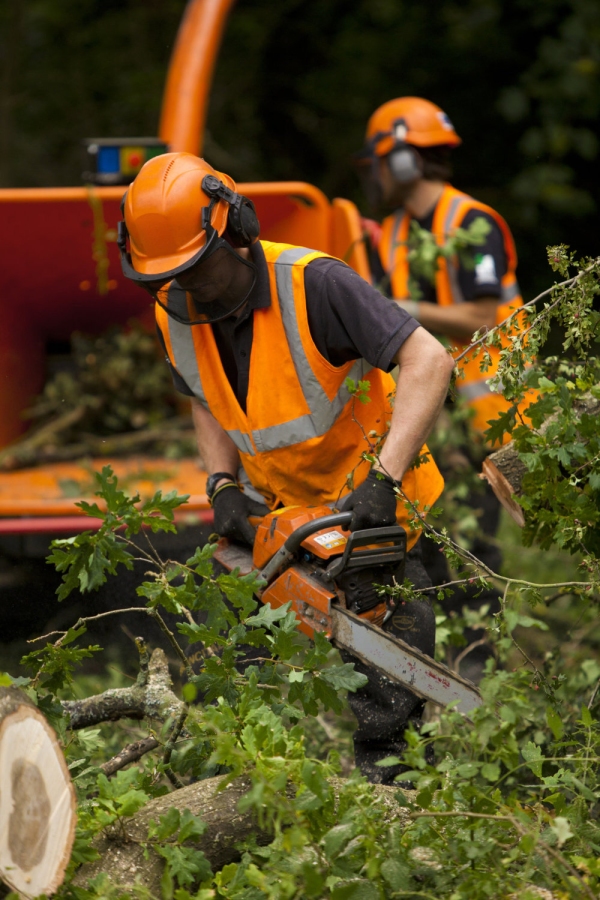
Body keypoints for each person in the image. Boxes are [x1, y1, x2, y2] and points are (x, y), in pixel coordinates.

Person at [118, 151, 454, 783]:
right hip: (282, 515)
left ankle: (400, 800)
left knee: (391, 687)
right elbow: (202, 394)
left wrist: (382, 481)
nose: (193, 289)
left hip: (373, 507)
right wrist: (221, 483)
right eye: (175, 278)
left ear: (237, 230)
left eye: (200, 270)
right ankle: (252, 787)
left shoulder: (316, 284)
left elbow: (430, 360)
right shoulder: (178, 310)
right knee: (246, 666)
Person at [356, 96, 528, 678]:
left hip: (489, 418)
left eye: (380, 163)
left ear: (400, 162)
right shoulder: (395, 232)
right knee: (433, 542)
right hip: (434, 415)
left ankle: (478, 669)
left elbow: (485, 315)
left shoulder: (472, 222)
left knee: (476, 544)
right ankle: (440, 665)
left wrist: (400, 308)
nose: (377, 176)